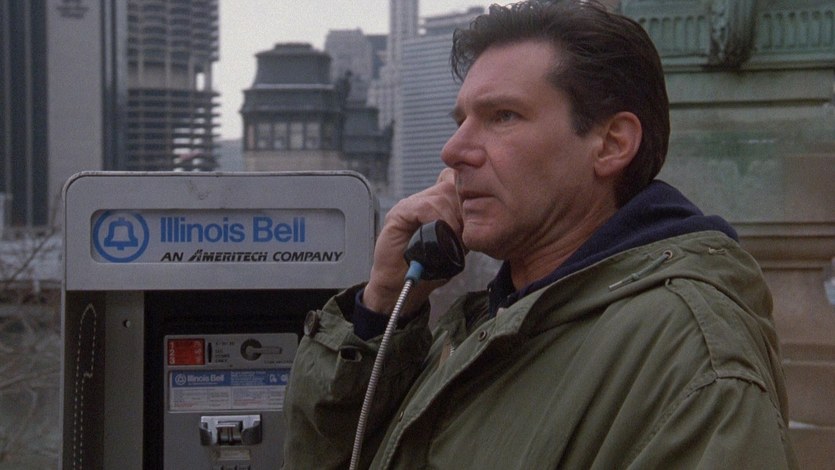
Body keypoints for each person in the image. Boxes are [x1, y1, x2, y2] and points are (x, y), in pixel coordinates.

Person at [282, 1, 797, 468]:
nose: (453, 150)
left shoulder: (691, 360)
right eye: (461, 120)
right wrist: (381, 312)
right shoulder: (488, 324)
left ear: (611, 144)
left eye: (502, 116)